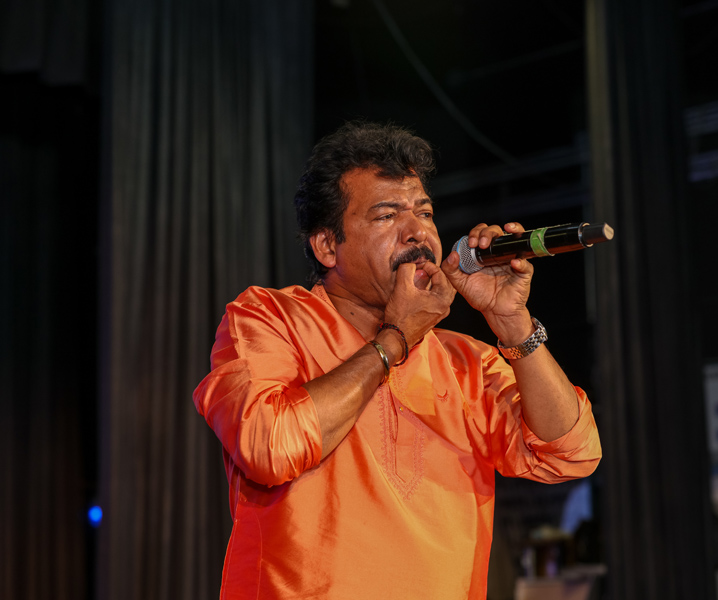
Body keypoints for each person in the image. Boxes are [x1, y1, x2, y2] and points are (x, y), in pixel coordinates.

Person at [193, 121, 602, 599]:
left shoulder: (465, 361)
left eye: (424, 212)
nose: (417, 232)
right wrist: (396, 341)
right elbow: (271, 447)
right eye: (387, 216)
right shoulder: (269, 318)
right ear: (327, 246)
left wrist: (513, 324)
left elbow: (572, 454)